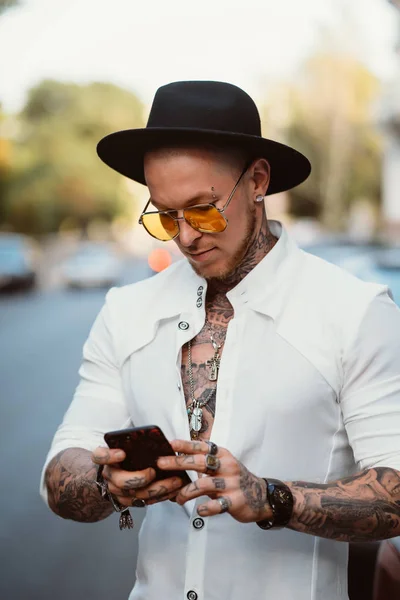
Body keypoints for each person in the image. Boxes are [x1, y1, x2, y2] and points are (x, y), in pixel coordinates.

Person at [41, 81, 400, 600]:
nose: (186, 236)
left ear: (258, 179)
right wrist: (105, 483)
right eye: (165, 216)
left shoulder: (356, 312)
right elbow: (61, 471)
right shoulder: (126, 311)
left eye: (204, 208)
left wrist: (273, 498)